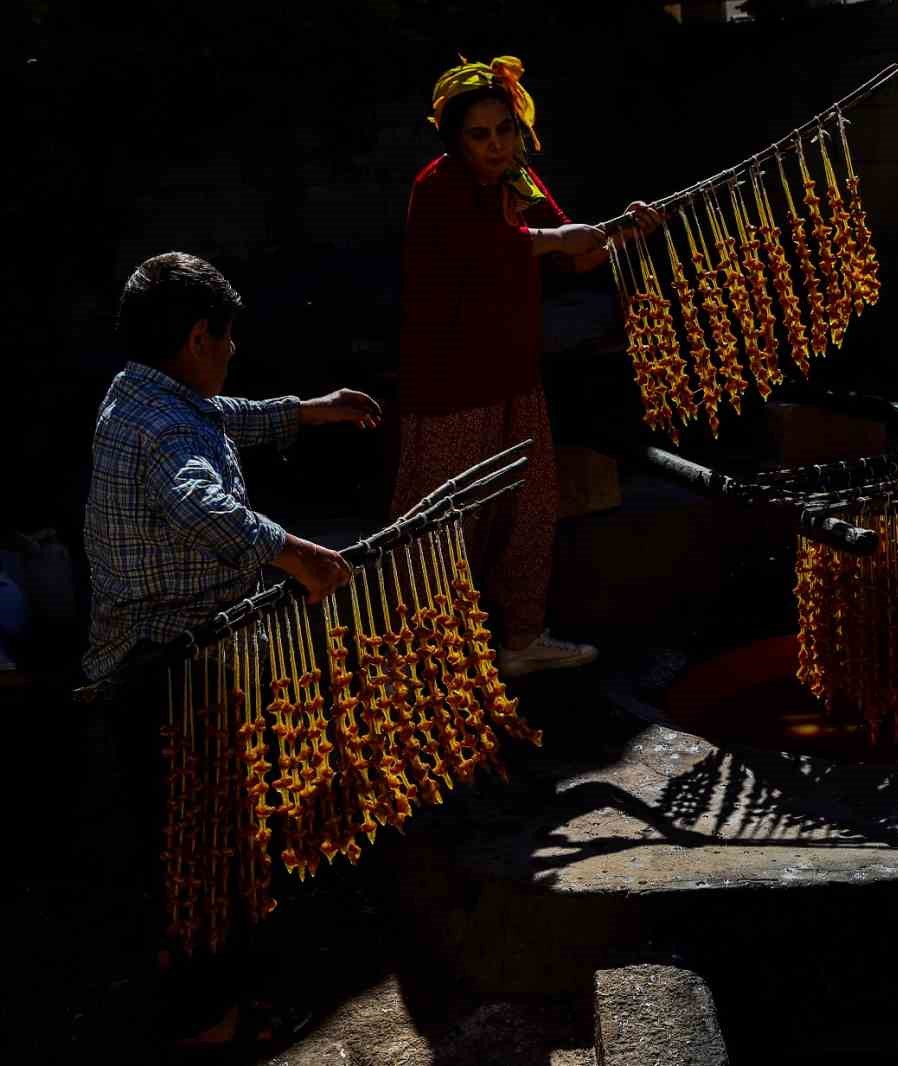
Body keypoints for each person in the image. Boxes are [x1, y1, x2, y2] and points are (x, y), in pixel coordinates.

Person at [81, 250, 380, 1048]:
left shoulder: (140, 394)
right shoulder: (168, 432)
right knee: (198, 849)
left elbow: (224, 416)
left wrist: (311, 410)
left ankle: (203, 1000)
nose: (233, 351)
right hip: (164, 668)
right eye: (225, 338)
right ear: (195, 338)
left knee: (191, 839)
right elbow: (203, 507)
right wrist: (302, 556)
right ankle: (210, 1022)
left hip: (150, 657)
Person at [390, 54, 661, 676]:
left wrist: (627, 229)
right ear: (455, 141)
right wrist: (560, 241)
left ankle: (521, 638)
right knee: (445, 519)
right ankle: (421, 654)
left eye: (505, 131)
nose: (496, 145)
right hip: (452, 385)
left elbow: (577, 253)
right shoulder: (439, 187)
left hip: (515, 374)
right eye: (480, 135)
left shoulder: (518, 180)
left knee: (531, 509)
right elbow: (489, 253)